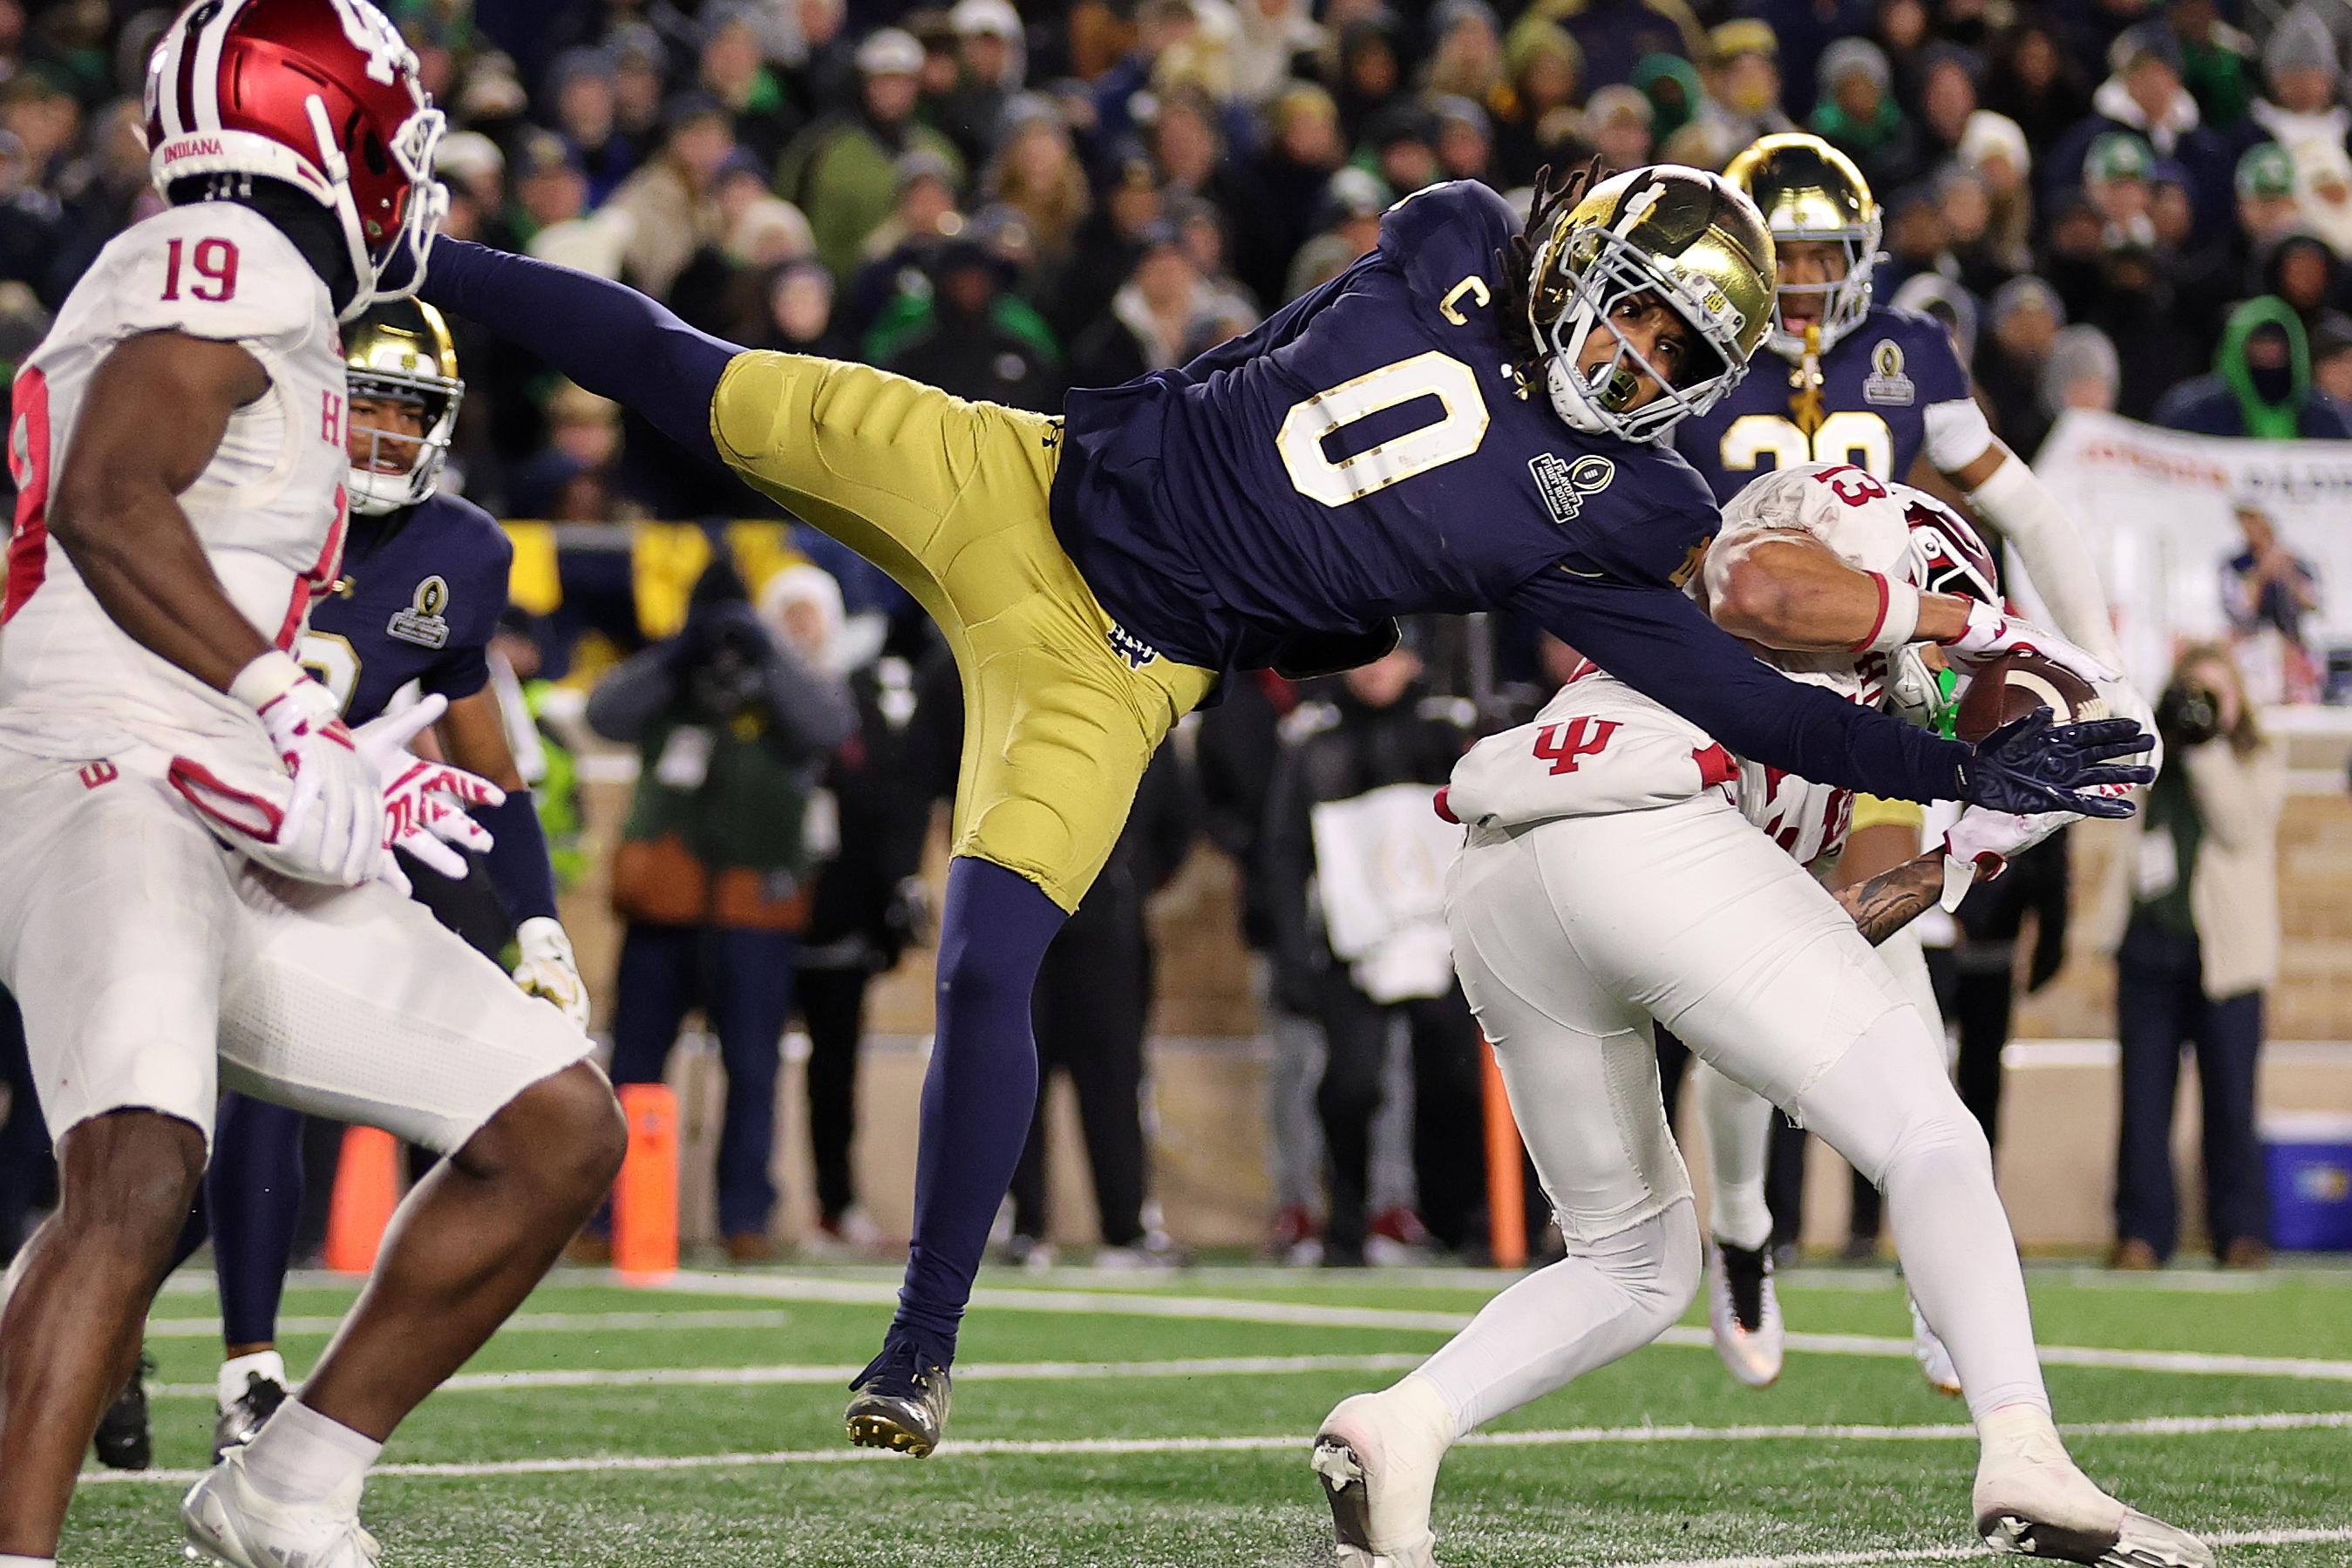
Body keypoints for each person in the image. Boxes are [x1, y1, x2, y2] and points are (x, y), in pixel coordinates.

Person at [418, 161, 2146, 1458]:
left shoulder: (1615, 500)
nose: (1623, 352)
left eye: (1665, 343)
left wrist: (1942, 767)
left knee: (984, 958)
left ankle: (917, 1344)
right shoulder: (1458, 235)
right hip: (1013, 472)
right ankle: (398, 245)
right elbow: (1440, 299)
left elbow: (1742, 691)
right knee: (682, 369)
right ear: (1569, 252)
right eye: (1619, 301)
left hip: (1115, 664)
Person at [1311, 463, 2199, 1568]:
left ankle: (1400, 1425)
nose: (1966, 682)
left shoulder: (1853, 702)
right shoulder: (1816, 558)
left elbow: (1840, 922)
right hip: (1648, 824)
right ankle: (2022, 1444)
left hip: (1508, 878)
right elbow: (1758, 589)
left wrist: (1979, 845)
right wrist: (1989, 622)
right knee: (1930, 1134)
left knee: (1634, 1262)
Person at [0, 7, 624, 1566]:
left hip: (205, 780)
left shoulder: (224, 271)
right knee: (138, 1171)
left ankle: (288, 1481)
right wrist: (281, 700)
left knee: (552, 1122)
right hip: (107, 773)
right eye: (397, 142)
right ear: (331, 131)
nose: (408, 186)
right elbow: (106, 498)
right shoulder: (238, 256)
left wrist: (309, 745)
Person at [1672, 132, 2138, 1393]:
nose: (1812, 279)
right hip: (1738, 707)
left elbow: (2027, 507)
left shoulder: (1911, 355)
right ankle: (1742, 1234)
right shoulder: (1693, 346)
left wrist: (2096, 657)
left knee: (1905, 1013)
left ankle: (1940, 1279)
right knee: (1732, 1033)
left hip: (1884, 708)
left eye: (1829, 253)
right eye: (1789, 255)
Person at [136, 299, 596, 1471]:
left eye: (411, 409)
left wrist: (538, 930)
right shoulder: (227, 497)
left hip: (300, 870)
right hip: (151, 835)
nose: (386, 433)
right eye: (369, 401)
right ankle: (101, 1322)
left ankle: (248, 1369)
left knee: (259, 1094)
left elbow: (489, 772)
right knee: (120, 1143)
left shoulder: (462, 552)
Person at [586, 559, 855, 1259]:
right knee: (635, 1065)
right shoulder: (675, 679)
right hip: (663, 903)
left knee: (754, 1067)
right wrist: (680, 650)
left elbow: (830, 726)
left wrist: (765, 651)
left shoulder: (785, 685)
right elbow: (604, 713)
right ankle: (607, 1214)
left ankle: (745, 1216)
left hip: (754, 908)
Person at [1264, 643, 1483, 1266]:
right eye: (1367, 655)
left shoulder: (1454, 729)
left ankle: (1453, 1217)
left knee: (1452, 1080)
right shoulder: (1314, 736)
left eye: (1394, 655)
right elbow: (1283, 851)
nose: (1377, 669)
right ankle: (1348, 1222)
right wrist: (1292, 952)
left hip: (1444, 936)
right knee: (1351, 1087)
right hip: (1351, 940)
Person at [2110, 644, 2284, 1273]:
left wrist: (2208, 741)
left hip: (2228, 958)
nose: (2199, 705)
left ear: (2238, 700)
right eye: (2192, 692)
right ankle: (2142, 1233)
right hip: (2149, 948)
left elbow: (2240, 825)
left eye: (2215, 693)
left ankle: (2239, 1231)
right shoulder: (2152, 761)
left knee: (2232, 1102)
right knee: (2143, 1103)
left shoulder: (2257, 758)